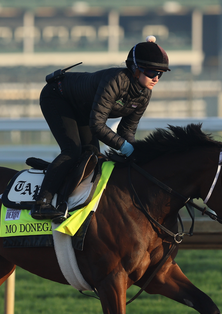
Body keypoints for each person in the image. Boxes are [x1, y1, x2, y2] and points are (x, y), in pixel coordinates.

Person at [30, 36, 171, 220]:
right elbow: (97, 124)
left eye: (161, 73)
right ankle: (41, 203)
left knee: (93, 156)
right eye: (152, 72)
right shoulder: (116, 80)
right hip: (57, 96)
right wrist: (124, 147)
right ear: (135, 69)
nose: (156, 78)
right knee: (72, 151)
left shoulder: (144, 95)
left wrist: (135, 151)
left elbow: (127, 131)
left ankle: (70, 197)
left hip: (82, 107)